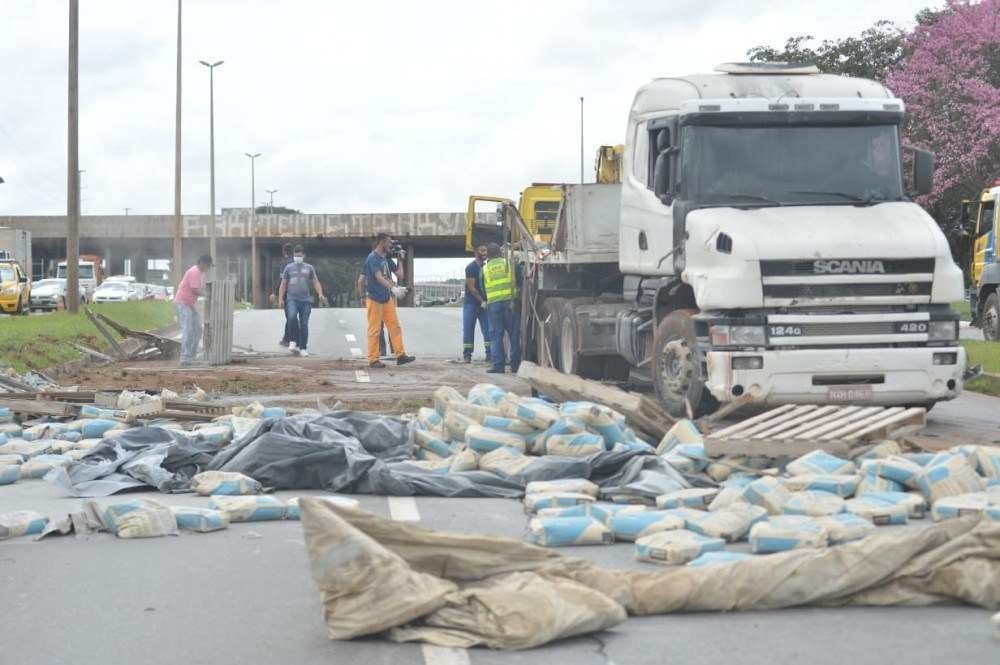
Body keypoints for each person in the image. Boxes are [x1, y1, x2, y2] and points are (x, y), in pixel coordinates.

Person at [363, 232, 415, 368]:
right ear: (382, 242)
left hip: (386, 298)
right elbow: (379, 277)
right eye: (389, 242)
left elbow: (400, 274)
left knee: (395, 327)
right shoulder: (372, 258)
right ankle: (373, 359)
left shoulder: (386, 258)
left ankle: (400, 355)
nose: (390, 245)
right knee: (374, 330)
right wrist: (393, 289)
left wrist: (400, 259)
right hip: (374, 298)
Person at [277, 245, 327, 357]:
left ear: (304, 255)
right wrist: (280, 299)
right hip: (292, 299)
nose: (297, 258)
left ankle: (303, 348)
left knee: (304, 324)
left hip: (305, 301)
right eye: (295, 256)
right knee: (291, 317)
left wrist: (320, 294)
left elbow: (315, 282)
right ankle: (293, 340)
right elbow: (283, 284)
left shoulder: (309, 268)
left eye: (299, 256)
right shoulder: (288, 268)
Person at [483, 243, 521, 374]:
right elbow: (519, 281)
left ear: (488, 255)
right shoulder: (510, 264)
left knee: (496, 336)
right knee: (514, 334)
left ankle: (498, 366)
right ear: (500, 253)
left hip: (493, 305)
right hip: (510, 303)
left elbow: (483, 287)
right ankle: (515, 365)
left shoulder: (485, 268)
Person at [174, 254, 213, 366]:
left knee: (198, 330)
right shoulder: (194, 271)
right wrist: (207, 295)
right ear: (202, 263)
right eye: (208, 265)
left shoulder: (202, 274)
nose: (209, 268)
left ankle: (192, 355)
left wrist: (208, 292)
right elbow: (194, 289)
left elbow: (202, 288)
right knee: (188, 330)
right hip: (183, 303)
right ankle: (184, 358)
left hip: (190, 304)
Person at [462, 244, 491, 362]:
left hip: (484, 304)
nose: (485, 253)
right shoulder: (471, 268)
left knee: (488, 329)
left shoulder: (486, 267)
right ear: (476, 252)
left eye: (486, 250)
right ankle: (467, 355)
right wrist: (482, 301)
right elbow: (471, 288)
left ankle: (490, 354)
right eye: (482, 250)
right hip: (471, 303)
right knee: (468, 329)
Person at [277, 243, 293, 347]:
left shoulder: (285, 264)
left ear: (284, 252)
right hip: (297, 293)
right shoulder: (296, 263)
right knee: (291, 316)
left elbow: (282, 281)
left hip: (287, 294)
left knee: (289, 317)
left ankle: (288, 339)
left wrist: (277, 295)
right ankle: (288, 338)